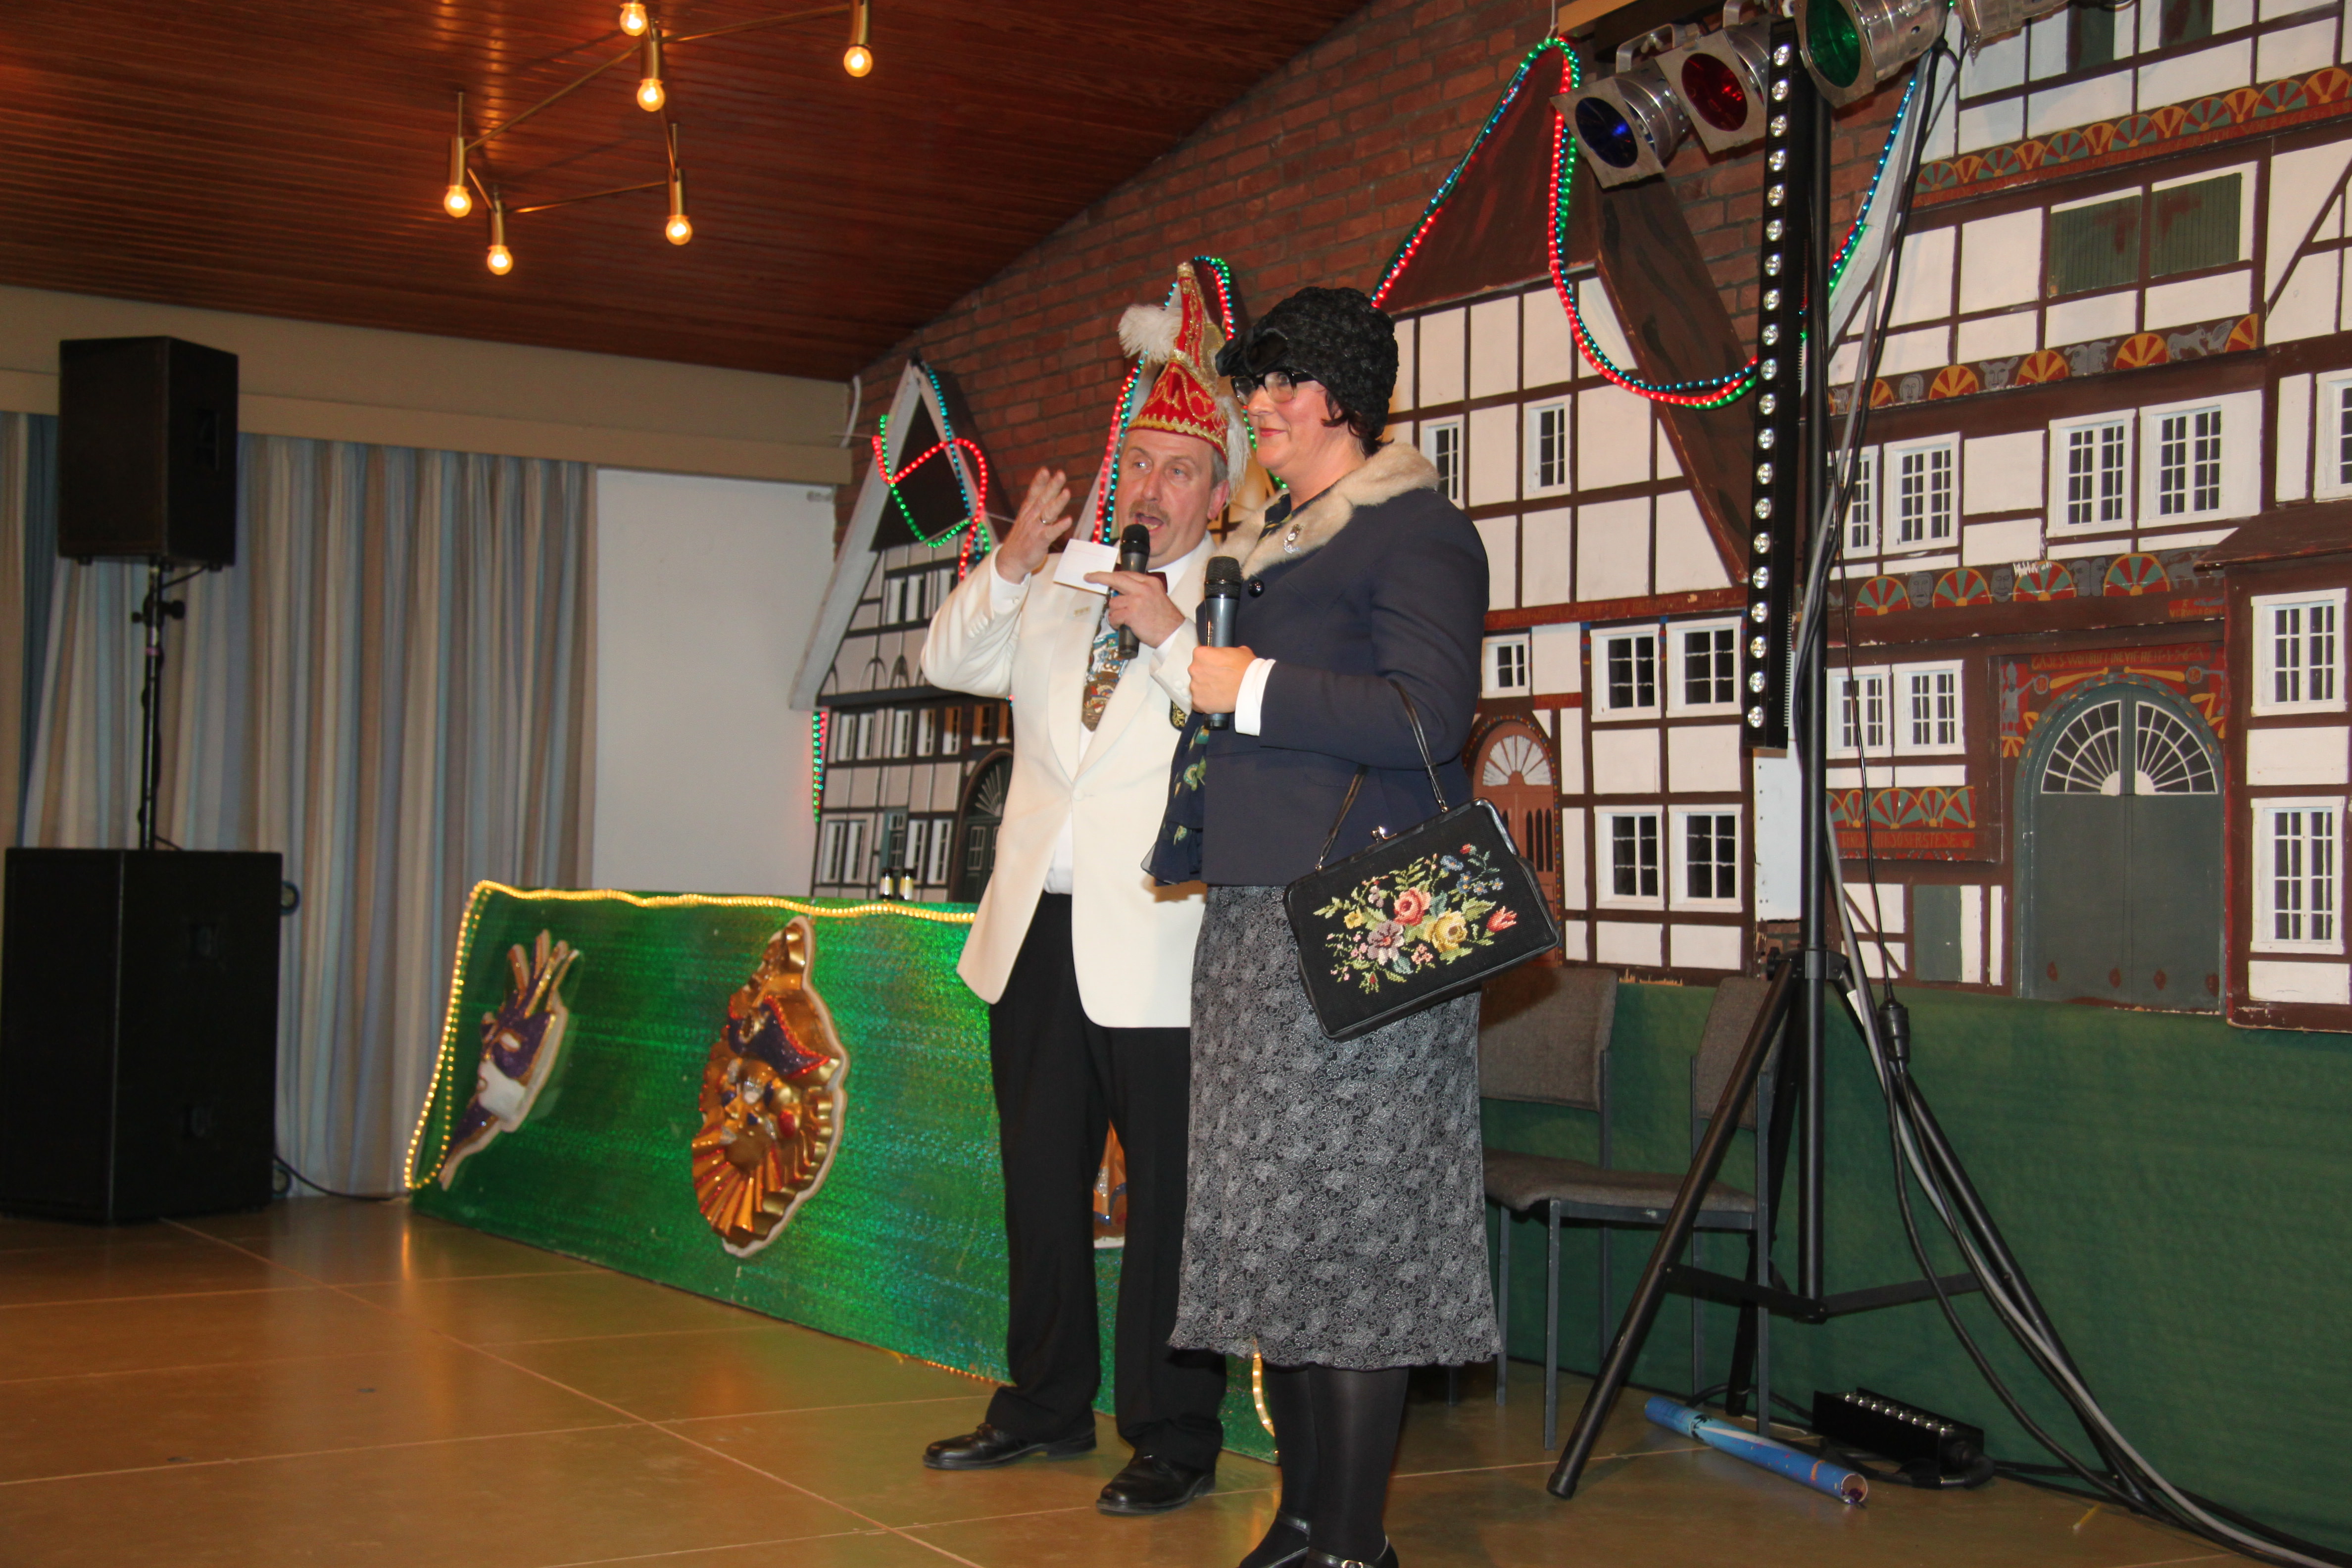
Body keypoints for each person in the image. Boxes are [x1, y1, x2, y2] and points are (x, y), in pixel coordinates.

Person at [1147, 287, 1496, 1568]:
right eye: (1253, 387)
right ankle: (1302, 1522)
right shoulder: (1270, 544)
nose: (1259, 409)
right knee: (1277, 1237)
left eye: (1280, 386)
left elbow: (1427, 718)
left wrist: (1253, 686)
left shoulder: (1418, 530)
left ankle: (1352, 1542)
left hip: (1365, 919)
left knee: (1354, 1248)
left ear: (1342, 395)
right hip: (1257, 920)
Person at [918, 261, 1252, 1516]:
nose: (1153, 487)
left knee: (1170, 1201)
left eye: (1182, 470)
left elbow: (1240, 726)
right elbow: (949, 661)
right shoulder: (1060, 580)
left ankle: (1172, 1430)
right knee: (1039, 1183)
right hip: (1037, 933)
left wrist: (1167, 631)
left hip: (1166, 943)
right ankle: (1043, 1404)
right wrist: (1009, 566)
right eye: (1142, 464)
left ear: (1219, 492)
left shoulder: (1236, 602)